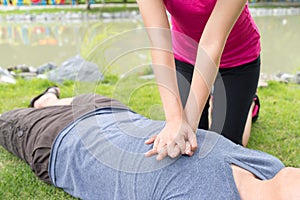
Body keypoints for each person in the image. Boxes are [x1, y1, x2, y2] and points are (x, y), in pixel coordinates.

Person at [1, 87, 299, 199]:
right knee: (58, 102)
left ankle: (46, 102)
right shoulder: (270, 167)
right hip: (115, 113)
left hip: (59, 142)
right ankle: (48, 98)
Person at [137, 0, 261, 159]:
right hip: (186, 57)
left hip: (238, 59)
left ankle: (249, 105)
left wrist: (188, 123)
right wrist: (175, 120)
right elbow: (159, 41)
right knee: (191, 145)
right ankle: (213, 101)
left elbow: (212, 42)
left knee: (223, 146)